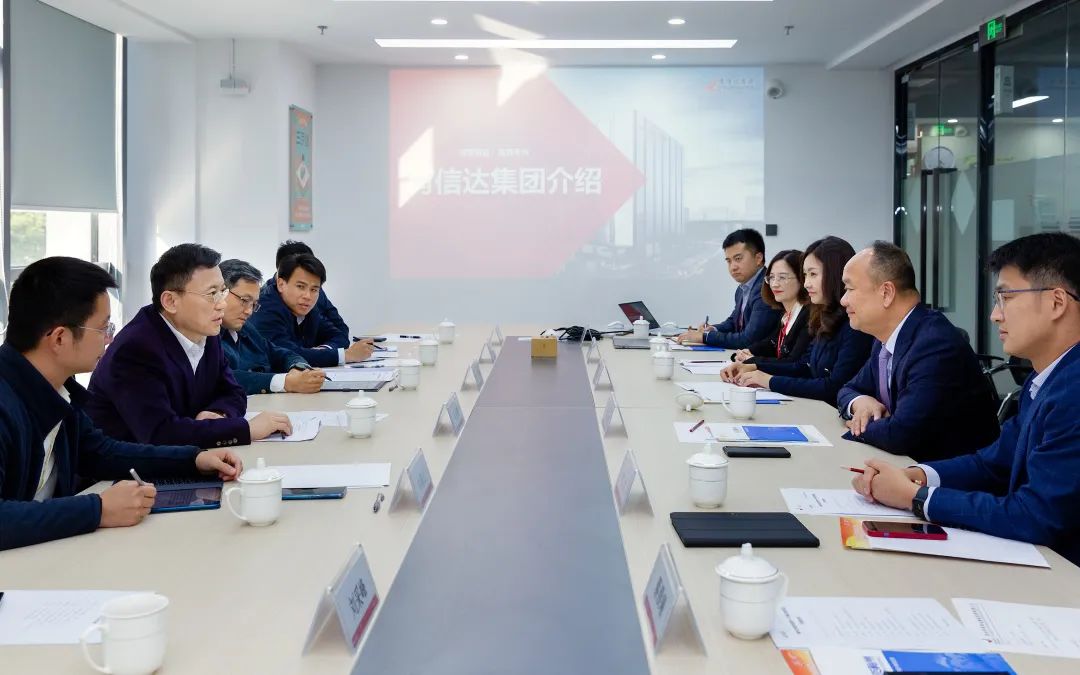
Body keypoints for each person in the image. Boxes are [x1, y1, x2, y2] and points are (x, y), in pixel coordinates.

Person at [852, 233, 1080, 566]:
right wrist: (918, 475)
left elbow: (1035, 515)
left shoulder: (1073, 391)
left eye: (1006, 298)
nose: (994, 315)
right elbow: (994, 463)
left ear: (1057, 303)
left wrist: (917, 498)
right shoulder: (1045, 378)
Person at [0, 257, 243, 551]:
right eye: (103, 328)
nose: (109, 339)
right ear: (60, 338)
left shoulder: (59, 389)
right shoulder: (6, 400)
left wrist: (193, 460)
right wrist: (98, 509)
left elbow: (100, 452)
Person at [86, 244, 293, 448]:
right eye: (212, 294)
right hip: (127, 467)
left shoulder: (205, 330)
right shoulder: (135, 349)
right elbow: (161, 433)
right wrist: (244, 429)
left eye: (222, 291)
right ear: (170, 301)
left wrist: (219, 414)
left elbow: (233, 391)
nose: (222, 303)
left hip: (186, 456)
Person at [837, 242, 999, 461]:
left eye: (849, 289)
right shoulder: (886, 337)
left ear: (886, 292)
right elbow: (848, 389)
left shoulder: (934, 344)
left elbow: (901, 434)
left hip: (949, 476)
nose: (843, 300)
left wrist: (859, 428)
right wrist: (860, 402)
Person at [722, 236, 873, 403]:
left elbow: (833, 387)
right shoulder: (824, 316)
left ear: (836, 275)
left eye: (813, 274)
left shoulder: (855, 325)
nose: (806, 283)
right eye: (805, 275)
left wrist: (768, 380)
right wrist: (754, 367)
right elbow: (804, 366)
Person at [219, 259, 326, 395]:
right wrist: (285, 382)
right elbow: (221, 377)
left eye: (254, 304)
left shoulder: (245, 328)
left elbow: (280, 353)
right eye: (245, 300)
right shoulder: (206, 334)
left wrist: (298, 368)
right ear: (220, 292)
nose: (249, 311)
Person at [250, 253, 373, 368]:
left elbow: (340, 335)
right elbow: (287, 355)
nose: (308, 296)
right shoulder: (265, 310)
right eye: (300, 287)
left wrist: (322, 351)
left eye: (314, 289)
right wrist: (345, 355)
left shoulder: (308, 309)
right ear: (281, 284)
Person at [677, 228, 781, 348]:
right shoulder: (742, 289)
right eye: (729, 261)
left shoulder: (766, 288)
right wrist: (713, 329)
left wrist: (705, 337)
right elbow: (734, 322)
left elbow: (748, 340)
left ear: (758, 258)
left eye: (738, 259)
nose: (733, 267)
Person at [729, 249, 811, 365]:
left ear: (802, 279)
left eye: (782, 277)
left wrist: (753, 360)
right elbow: (773, 342)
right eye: (771, 278)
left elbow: (793, 363)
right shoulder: (785, 313)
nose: (774, 284)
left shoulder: (808, 316)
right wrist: (748, 352)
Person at [272, 240, 349, 338]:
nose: (307, 295)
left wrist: (327, 345)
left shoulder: (316, 291)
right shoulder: (264, 298)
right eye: (300, 286)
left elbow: (340, 328)